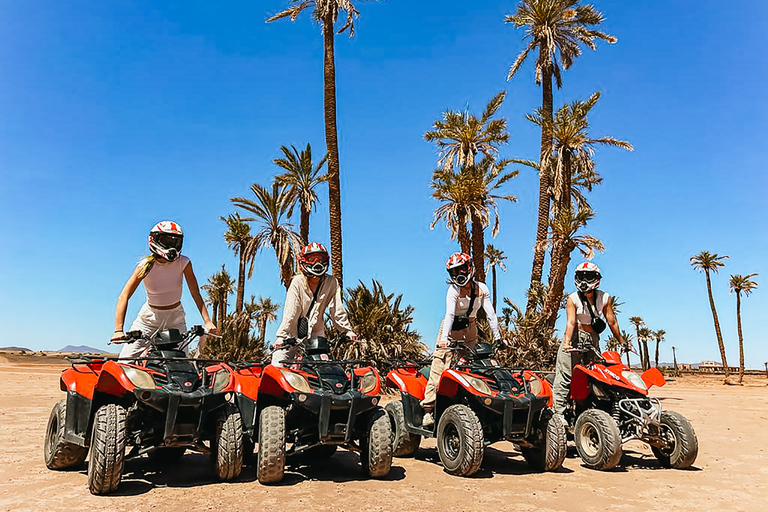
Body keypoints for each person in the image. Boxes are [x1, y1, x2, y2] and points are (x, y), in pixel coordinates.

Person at [111, 221, 217, 358]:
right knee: (125, 361)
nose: (172, 246)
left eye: (175, 242)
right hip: (148, 319)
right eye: (167, 241)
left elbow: (195, 293)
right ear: (153, 240)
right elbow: (124, 296)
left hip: (176, 318)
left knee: (183, 364)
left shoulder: (184, 263)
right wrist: (118, 330)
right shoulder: (144, 266)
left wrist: (207, 321)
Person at [421, 252, 503, 427]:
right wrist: (444, 340)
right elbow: (450, 314)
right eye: (454, 272)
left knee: (473, 366)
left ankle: (472, 405)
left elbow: (490, 314)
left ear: (469, 267)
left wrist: (498, 337)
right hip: (450, 329)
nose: (459, 274)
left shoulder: (482, 289)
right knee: (440, 367)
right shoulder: (453, 290)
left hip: (470, 327)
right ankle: (428, 410)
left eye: (462, 269)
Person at [552, 261, 624, 416]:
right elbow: (571, 322)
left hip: (592, 339)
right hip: (574, 337)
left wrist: (622, 342)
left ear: (596, 278)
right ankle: (558, 415)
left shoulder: (604, 298)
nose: (584, 281)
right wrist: (566, 343)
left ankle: (587, 413)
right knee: (565, 376)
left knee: (594, 376)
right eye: (581, 276)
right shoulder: (572, 298)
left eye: (589, 277)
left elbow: (612, 321)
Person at [271, 242, 358, 367]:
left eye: (320, 258)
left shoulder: (332, 282)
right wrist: (282, 336)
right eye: (311, 258)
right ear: (303, 261)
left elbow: (337, 309)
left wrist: (347, 331)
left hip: (316, 335)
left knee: (324, 369)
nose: (317, 262)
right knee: (278, 365)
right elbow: (291, 311)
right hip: (291, 335)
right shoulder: (297, 282)